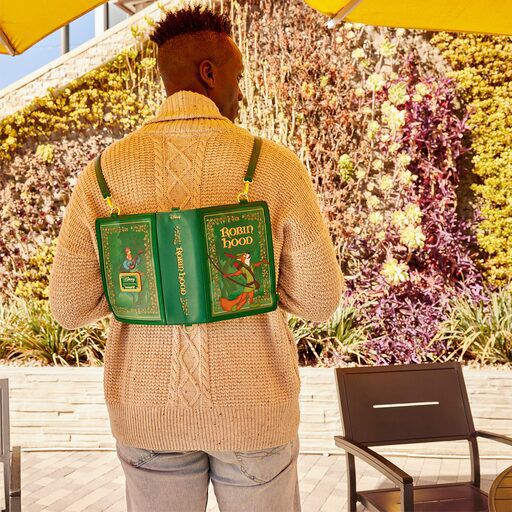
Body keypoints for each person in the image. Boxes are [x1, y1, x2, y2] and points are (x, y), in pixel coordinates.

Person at [49, 5, 344, 512]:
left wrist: (150, 286)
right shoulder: (274, 167)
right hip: (253, 413)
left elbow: (69, 307)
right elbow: (320, 301)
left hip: (148, 416)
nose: (241, 91)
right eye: (238, 76)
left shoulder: (103, 174)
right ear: (209, 73)